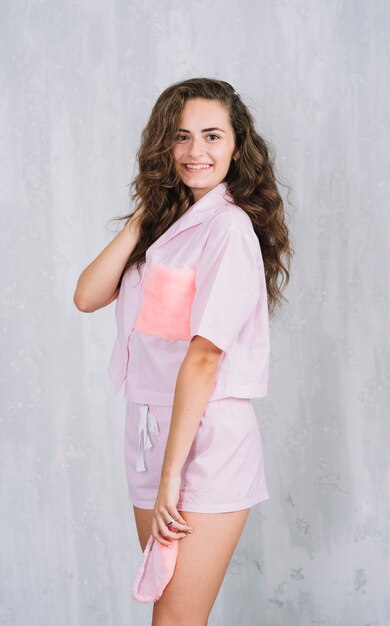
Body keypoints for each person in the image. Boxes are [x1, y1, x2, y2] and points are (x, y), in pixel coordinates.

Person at [74, 77, 292, 624]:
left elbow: (203, 356)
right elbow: (87, 295)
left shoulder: (228, 228)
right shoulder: (168, 226)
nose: (196, 151)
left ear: (237, 146)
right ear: (164, 147)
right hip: (150, 435)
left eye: (212, 136)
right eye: (181, 137)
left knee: (174, 620)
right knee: (173, 615)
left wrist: (173, 474)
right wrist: (146, 214)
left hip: (205, 443)